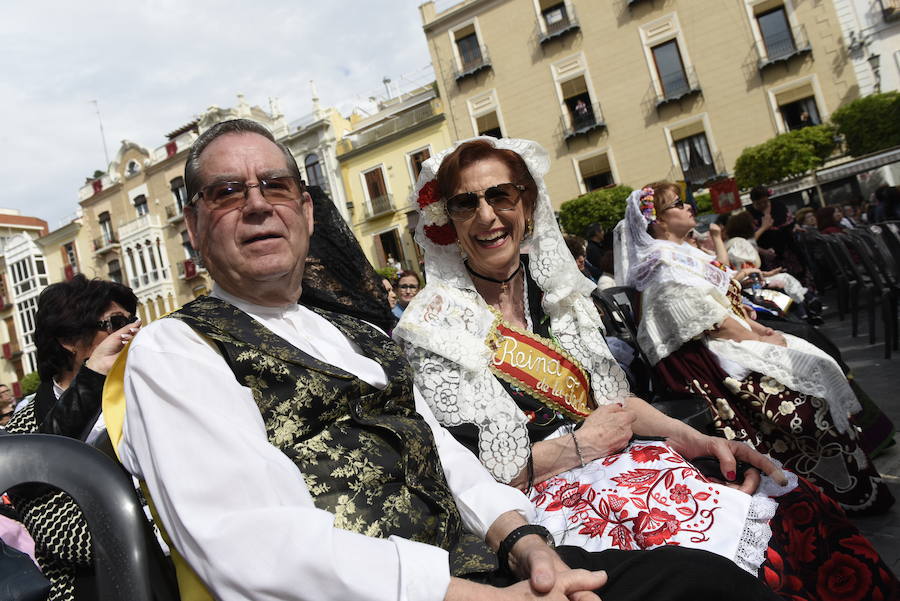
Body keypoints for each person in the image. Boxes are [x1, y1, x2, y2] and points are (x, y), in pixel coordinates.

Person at [104, 120, 778, 601]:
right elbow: (248, 545)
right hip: (414, 592)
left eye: (275, 185)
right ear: (192, 230)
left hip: (495, 563)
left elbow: (448, 459)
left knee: (707, 580)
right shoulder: (175, 349)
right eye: (227, 192)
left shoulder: (355, 332)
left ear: (306, 211)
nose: (256, 204)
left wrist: (531, 546)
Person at [392, 138, 898, 601]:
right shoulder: (434, 326)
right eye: (466, 202)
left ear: (527, 204)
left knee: (798, 502)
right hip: (537, 511)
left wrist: (696, 440)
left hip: (626, 463)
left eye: (501, 195)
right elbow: (469, 472)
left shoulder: (559, 297)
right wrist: (583, 445)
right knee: (716, 569)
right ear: (448, 221)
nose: (487, 216)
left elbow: (617, 405)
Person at [614, 183, 894, 516]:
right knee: (806, 389)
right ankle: (828, 494)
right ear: (657, 221)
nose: (690, 207)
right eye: (680, 203)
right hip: (709, 364)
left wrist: (756, 327)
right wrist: (758, 338)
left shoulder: (679, 253)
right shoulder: (661, 265)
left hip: (724, 343)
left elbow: (722, 303)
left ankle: (855, 474)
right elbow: (706, 320)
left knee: (809, 349)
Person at [4, 274, 142, 601]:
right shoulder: (26, 423)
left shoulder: (149, 390)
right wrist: (93, 378)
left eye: (132, 320)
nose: (131, 331)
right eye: (115, 323)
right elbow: (61, 534)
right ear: (68, 339)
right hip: (92, 586)